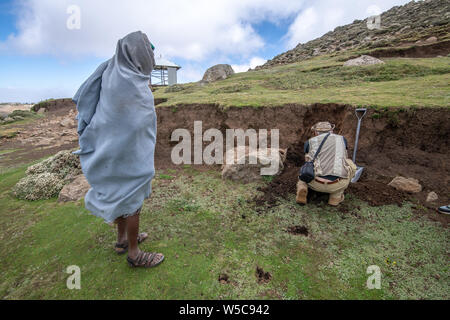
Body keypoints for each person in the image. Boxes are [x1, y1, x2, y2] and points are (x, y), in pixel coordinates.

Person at [73, 31, 164, 268]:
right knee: (133, 200)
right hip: (126, 154)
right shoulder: (132, 82)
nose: (150, 58)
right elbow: (136, 123)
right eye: (148, 53)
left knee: (120, 194)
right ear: (139, 55)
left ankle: (122, 240)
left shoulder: (112, 72)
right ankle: (135, 254)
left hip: (107, 149)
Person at [296, 122, 357, 206]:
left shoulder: (309, 142)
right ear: (331, 131)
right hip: (337, 184)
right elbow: (344, 155)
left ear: (316, 132)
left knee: (305, 167)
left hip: (315, 183)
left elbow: (307, 159)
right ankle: (335, 197)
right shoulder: (342, 139)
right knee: (350, 164)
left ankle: (302, 187)